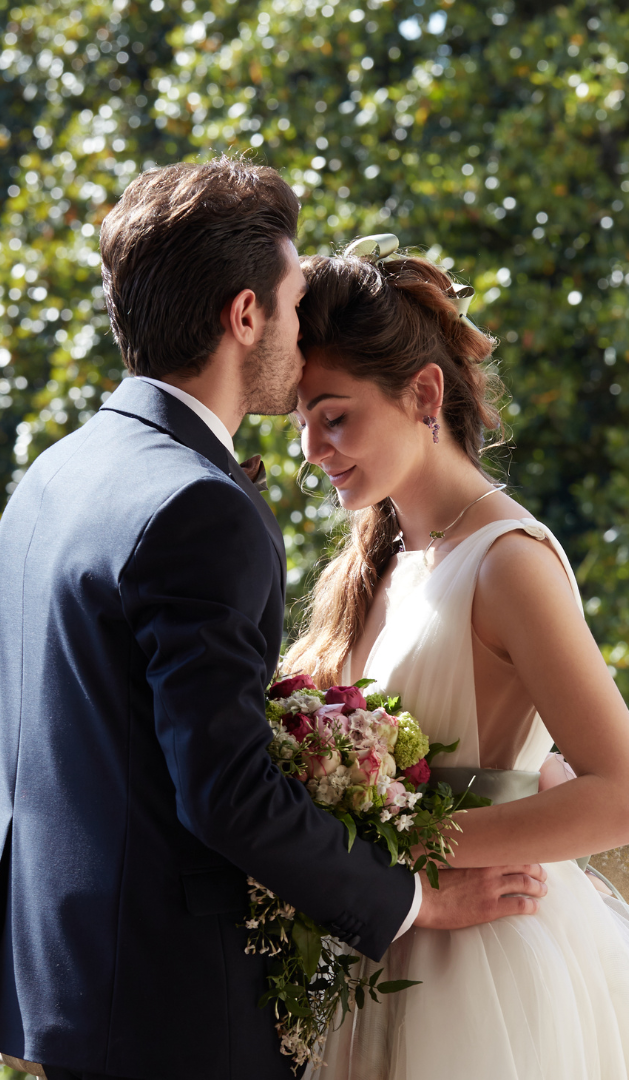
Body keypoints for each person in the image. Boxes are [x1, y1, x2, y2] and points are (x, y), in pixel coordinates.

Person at [0, 163, 545, 1080]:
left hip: (64, 995)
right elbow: (226, 793)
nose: (301, 329)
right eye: (293, 303)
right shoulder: (195, 507)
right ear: (245, 315)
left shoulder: (51, 477)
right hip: (182, 1018)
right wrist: (410, 900)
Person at [286, 238, 629, 1080]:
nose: (311, 448)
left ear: (424, 393)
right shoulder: (381, 559)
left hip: (483, 978)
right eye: (303, 421)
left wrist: (415, 853)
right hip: (384, 953)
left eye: (335, 415)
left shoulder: (508, 562)